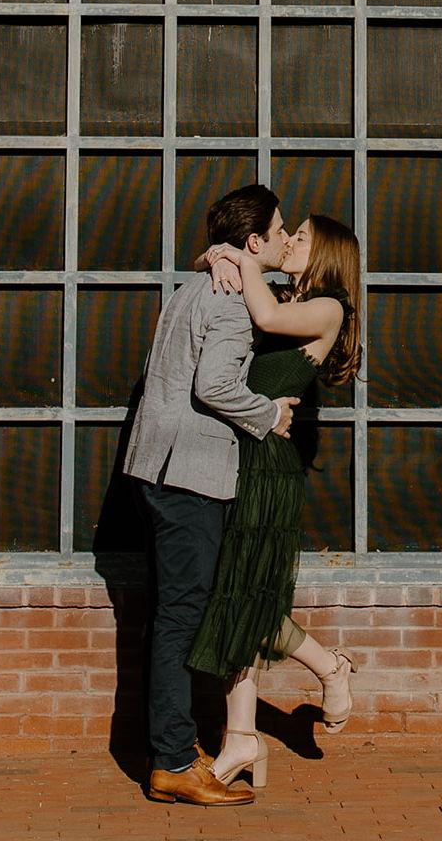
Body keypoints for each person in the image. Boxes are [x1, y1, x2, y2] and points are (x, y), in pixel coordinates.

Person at [121, 184, 300, 806]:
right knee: (179, 619)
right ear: (253, 242)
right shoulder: (228, 301)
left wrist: (216, 256)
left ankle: (174, 746)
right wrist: (269, 411)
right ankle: (171, 761)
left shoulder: (197, 284)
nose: (285, 241)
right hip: (189, 477)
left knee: (173, 614)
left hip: (155, 471)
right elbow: (217, 385)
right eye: (279, 232)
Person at [185, 213, 364, 792]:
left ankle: (326, 664)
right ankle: (242, 737)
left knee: (244, 595)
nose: (290, 242)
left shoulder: (330, 307)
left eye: (302, 237)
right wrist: (218, 255)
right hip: (239, 457)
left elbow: (261, 315)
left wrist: (237, 258)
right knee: (234, 595)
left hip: (271, 469)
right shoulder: (281, 289)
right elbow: (221, 281)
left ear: (326, 255)